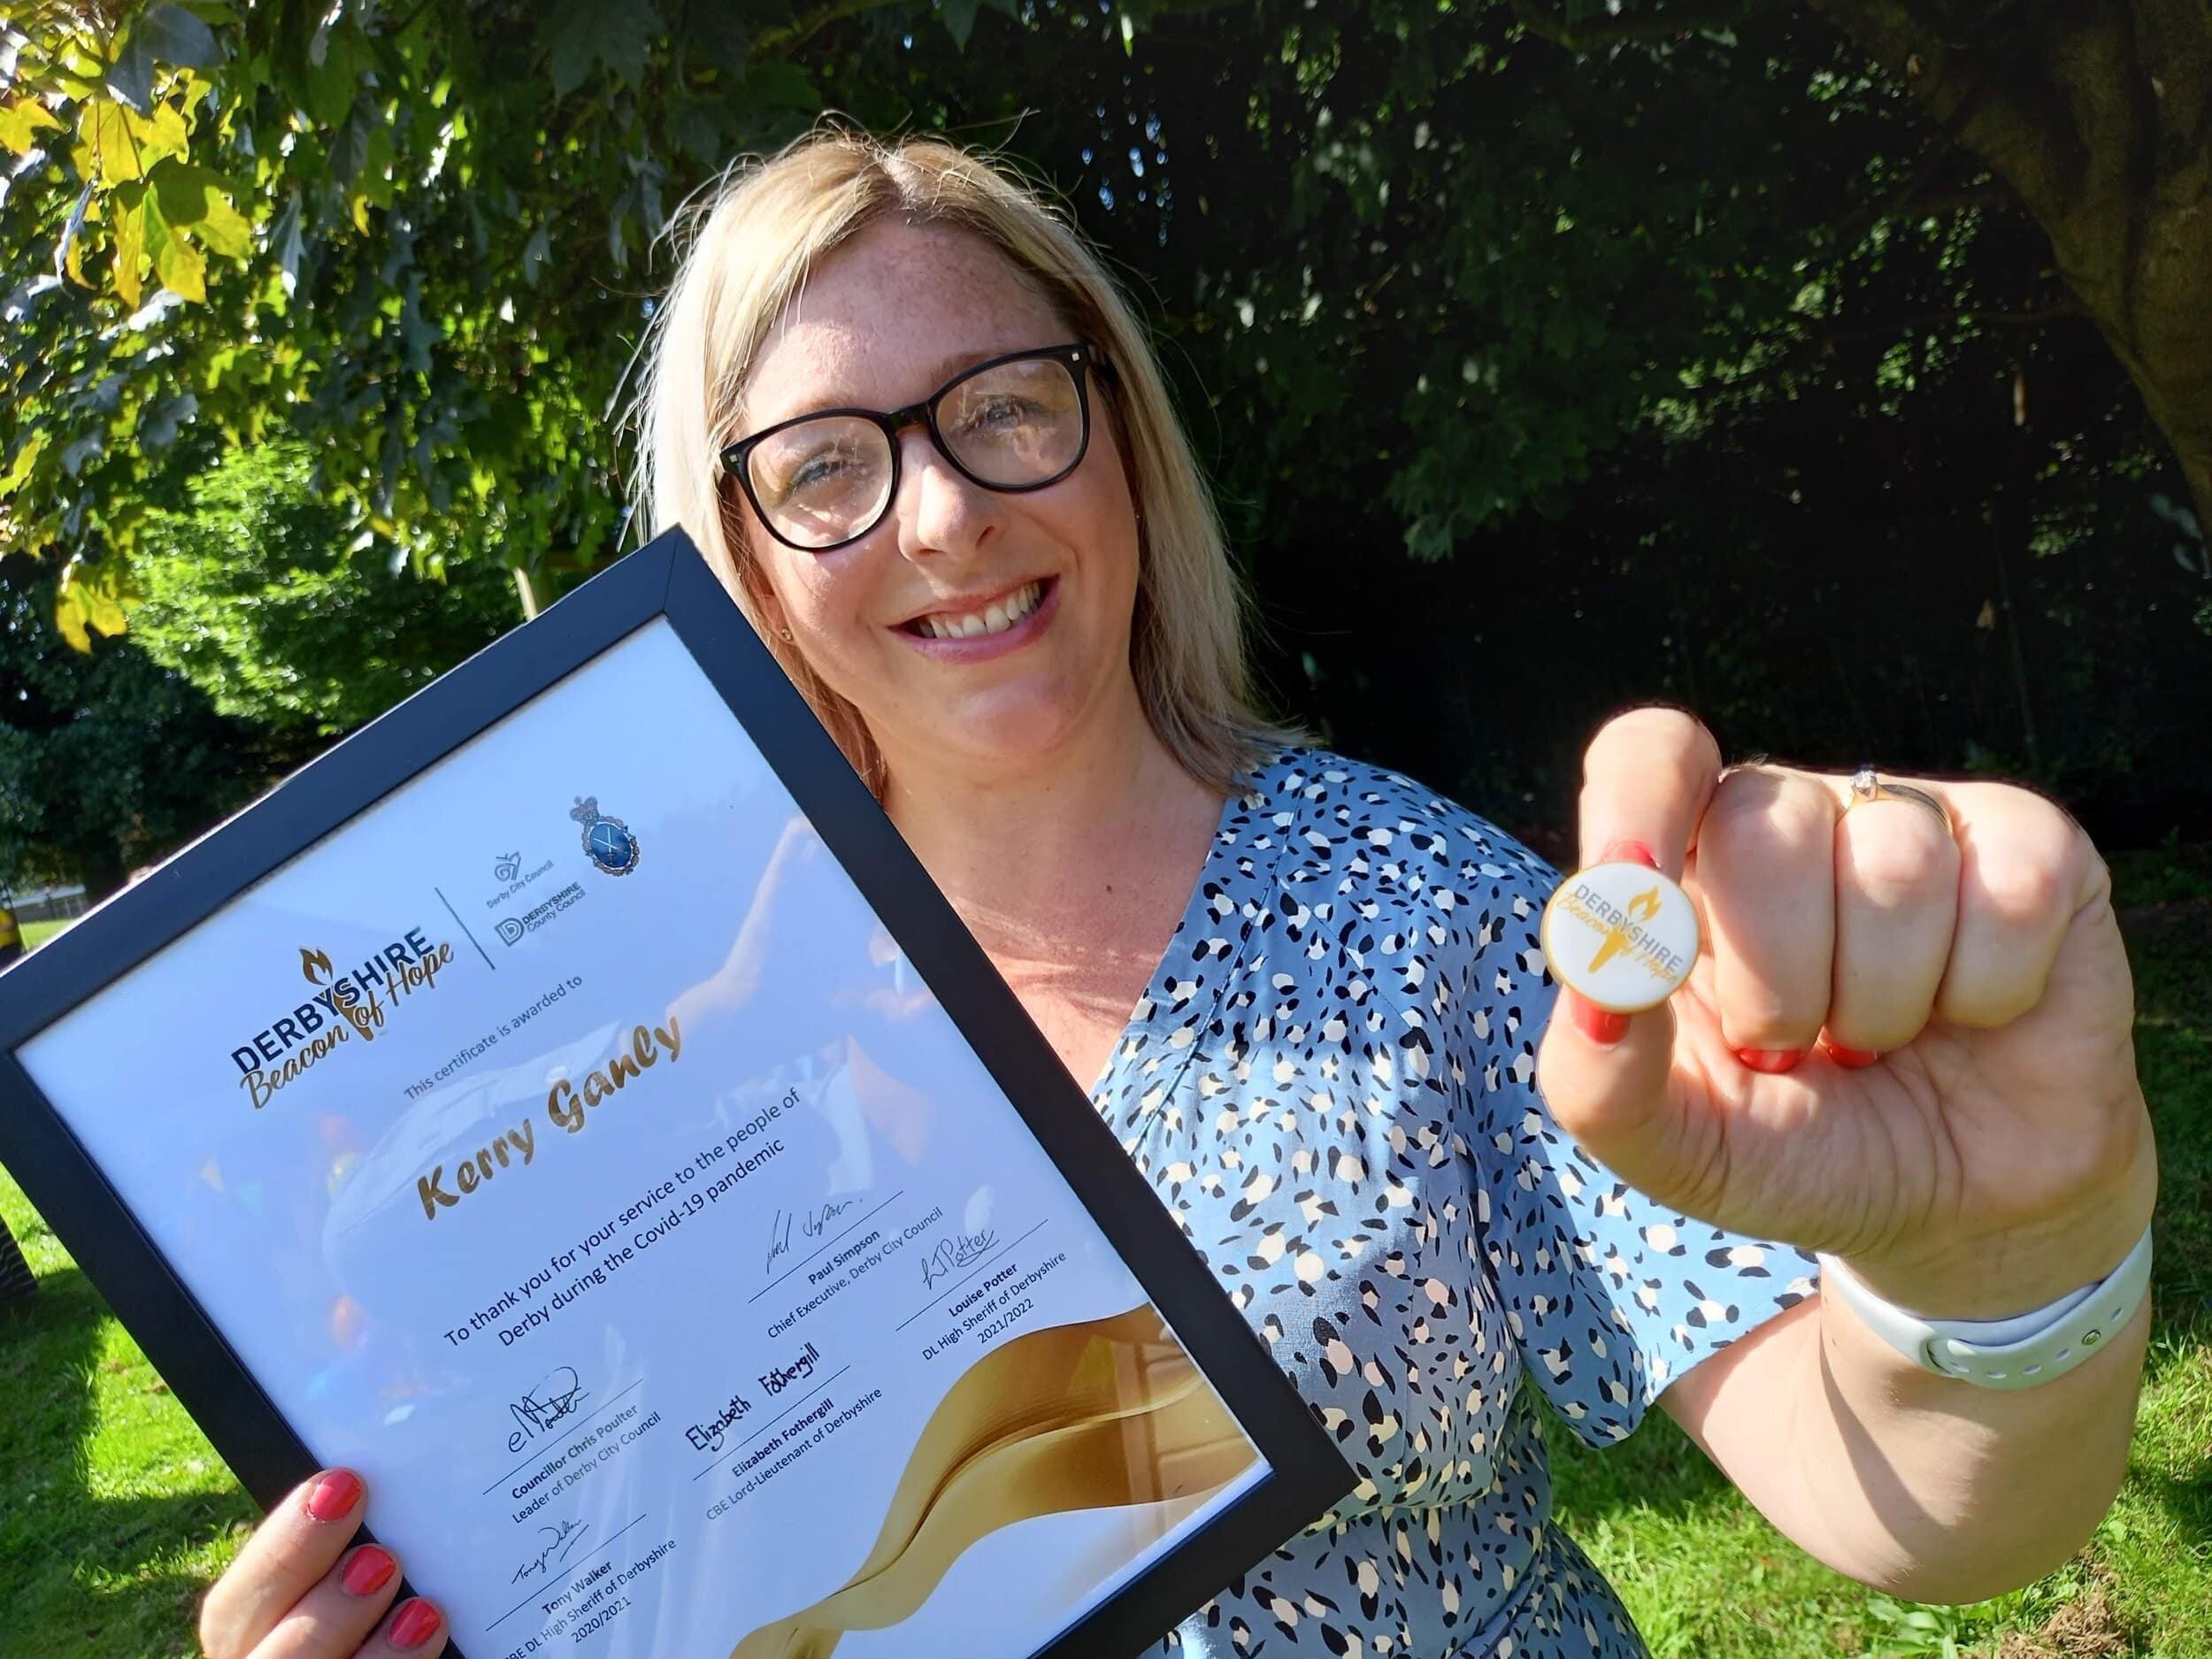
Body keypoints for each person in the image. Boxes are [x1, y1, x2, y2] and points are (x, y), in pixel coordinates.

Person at [197, 128, 2157, 1659]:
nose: (948, 509)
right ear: (744, 554)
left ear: (1116, 437)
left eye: (1004, 407)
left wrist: (2006, 1264)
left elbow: (1916, 1498)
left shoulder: (1409, 912)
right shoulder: (644, 1032)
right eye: (823, 464)